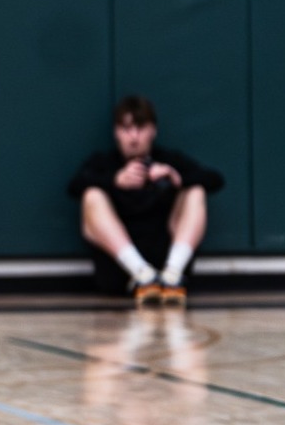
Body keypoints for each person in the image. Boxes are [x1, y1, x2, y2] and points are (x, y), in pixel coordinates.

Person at [68, 95, 225, 305]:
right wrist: (116, 180)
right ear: (116, 132)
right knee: (92, 195)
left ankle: (172, 274)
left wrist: (175, 177)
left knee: (195, 190)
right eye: (126, 128)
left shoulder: (168, 160)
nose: (133, 137)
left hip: (167, 266)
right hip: (121, 272)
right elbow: (74, 186)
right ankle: (142, 274)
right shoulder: (104, 163)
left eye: (140, 128)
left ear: (153, 130)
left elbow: (215, 180)